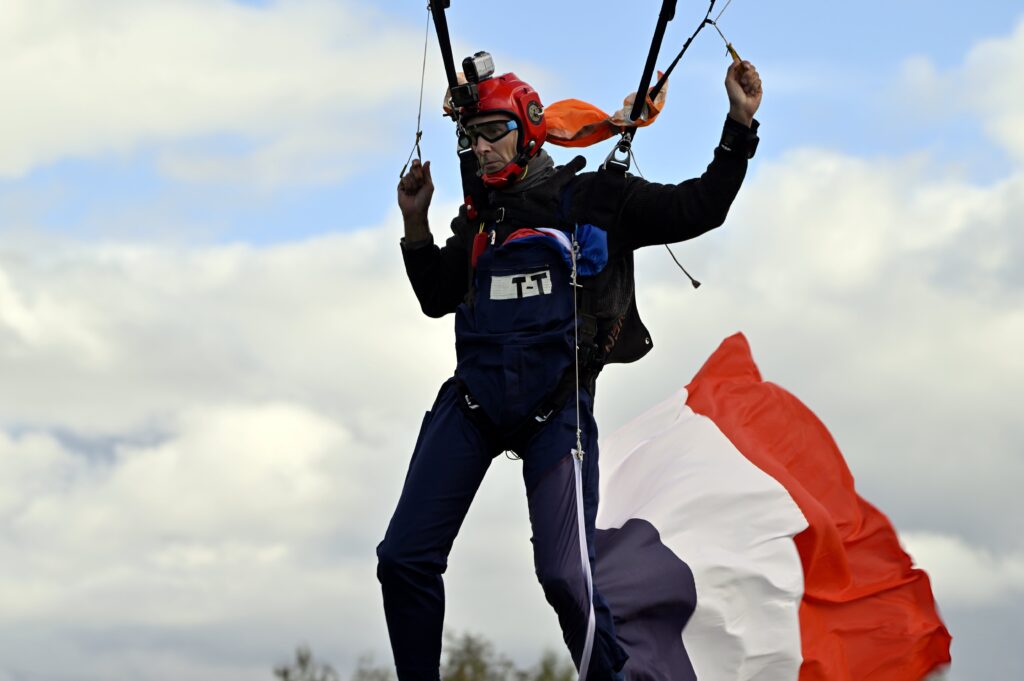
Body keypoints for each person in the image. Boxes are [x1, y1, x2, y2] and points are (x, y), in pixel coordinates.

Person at [378, 55, 763, 681]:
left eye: (494, 133)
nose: (482, 148)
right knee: (402, 558)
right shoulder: (481, 217)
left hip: (555, 410)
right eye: (473, 137)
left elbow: (701, 207)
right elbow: (436, 295)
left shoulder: (593, 200)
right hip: (472, 404)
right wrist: (415, 222)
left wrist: (739, 126)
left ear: (529, 129)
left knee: (566, 578)